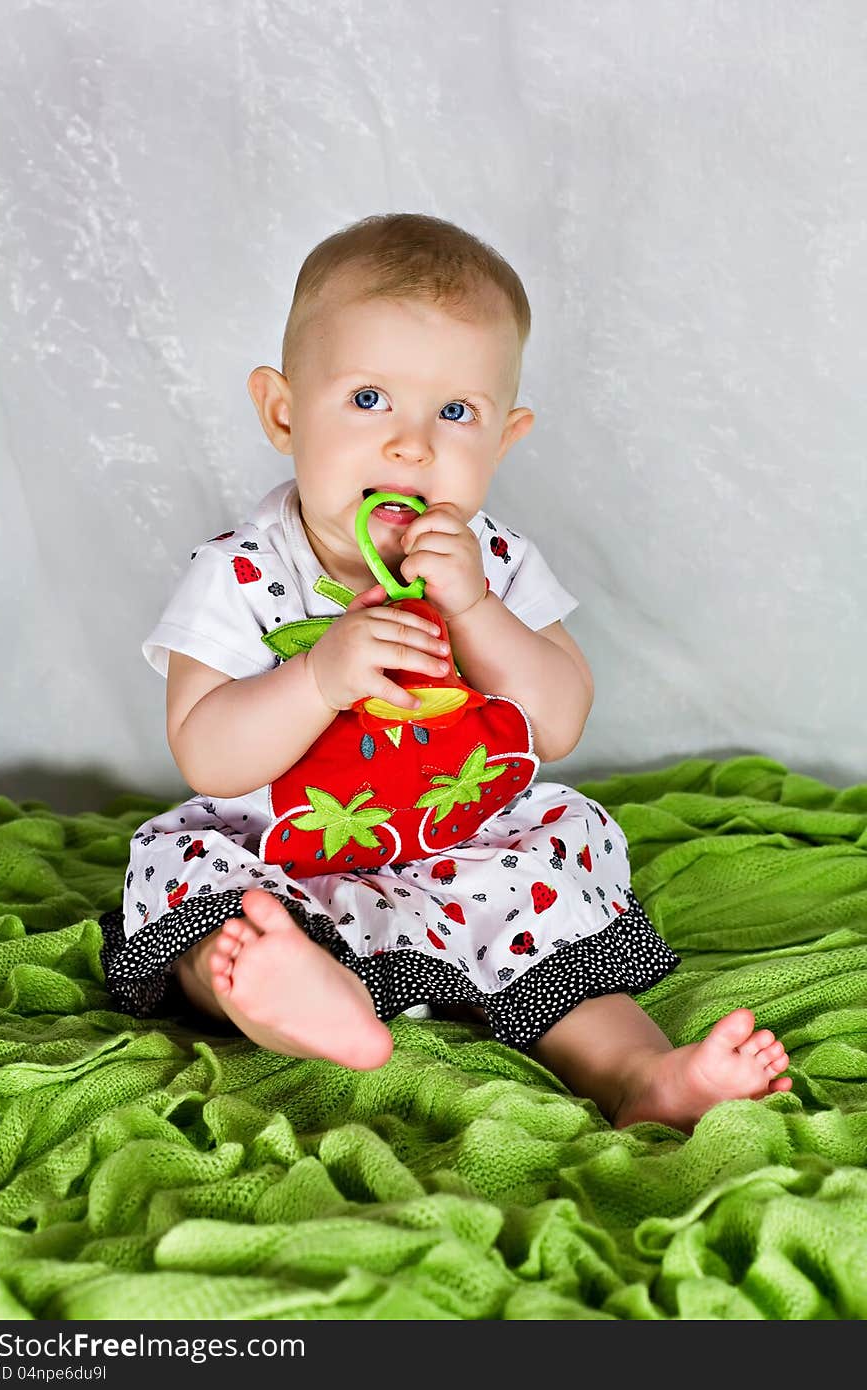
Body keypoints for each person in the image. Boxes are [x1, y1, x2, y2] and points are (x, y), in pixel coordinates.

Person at [99, 212, 792, 1132]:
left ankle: (639, 1075)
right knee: (199, 894)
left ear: (504, 438)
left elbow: (557, 722)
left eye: (455, 414)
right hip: (283, 847)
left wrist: (476, 611)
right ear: (283, 412)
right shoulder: (241, 570)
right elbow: (207, 754)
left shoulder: (491, 561)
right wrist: (319, 678)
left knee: (545, 911)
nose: (411, 447)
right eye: (369, 400)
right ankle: (287, 992)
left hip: (460, 844)